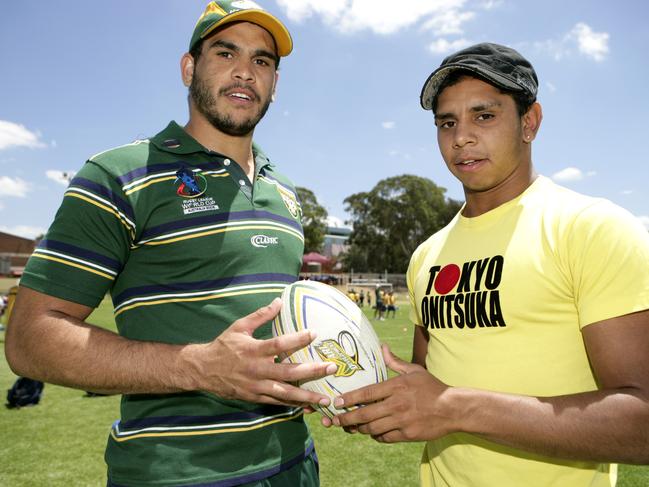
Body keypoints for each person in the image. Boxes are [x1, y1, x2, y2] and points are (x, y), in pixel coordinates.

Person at [5, 2, 337, 486]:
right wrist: (199, 368)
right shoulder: (119, 175)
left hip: (295, 464)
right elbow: (31, 339)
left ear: (275, 84)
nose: (245, 71)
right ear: (189, 69)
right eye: (225, 53)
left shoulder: (284, 192)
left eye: (262, 61)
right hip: (175, 475)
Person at [330, 43, 649, 486]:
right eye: (447, 122)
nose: (461, 137)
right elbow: (429, 382)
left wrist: (456, 408)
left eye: (484, 116)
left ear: (529, 122)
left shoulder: (591, 228)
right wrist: (372, 397)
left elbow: (643, 423)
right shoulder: (427, 255)